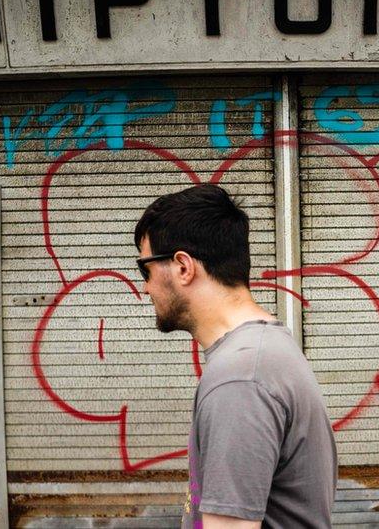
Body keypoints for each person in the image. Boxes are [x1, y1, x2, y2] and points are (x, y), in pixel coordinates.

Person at [133, 184, 337, 529]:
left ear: (183, 267)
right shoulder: (265, 350)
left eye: (145, 270)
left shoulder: (240, 378)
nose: (145, 287)